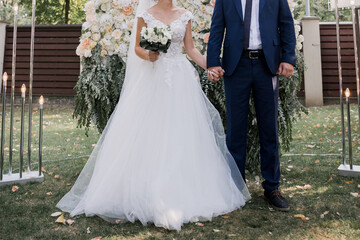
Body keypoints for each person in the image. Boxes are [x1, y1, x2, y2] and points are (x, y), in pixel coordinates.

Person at [57, 0, 250, 231]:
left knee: (181, 134)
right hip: (153, 79)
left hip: (180, 80)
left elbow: (190, 49)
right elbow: (137, 47)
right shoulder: (145, 15)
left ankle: (182, 191)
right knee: (152, 134)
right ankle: (149, 192)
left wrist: (209, 65)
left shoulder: (184, 15)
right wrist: (147, 55)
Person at [207, 0, 296, 212]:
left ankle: (272, 187)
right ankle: (236, 187)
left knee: (269, 128)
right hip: (236, 67)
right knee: (236, 129)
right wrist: (212, 61)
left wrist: (288, 58)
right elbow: (217, 27)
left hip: (268, 65)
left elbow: (286, 24)